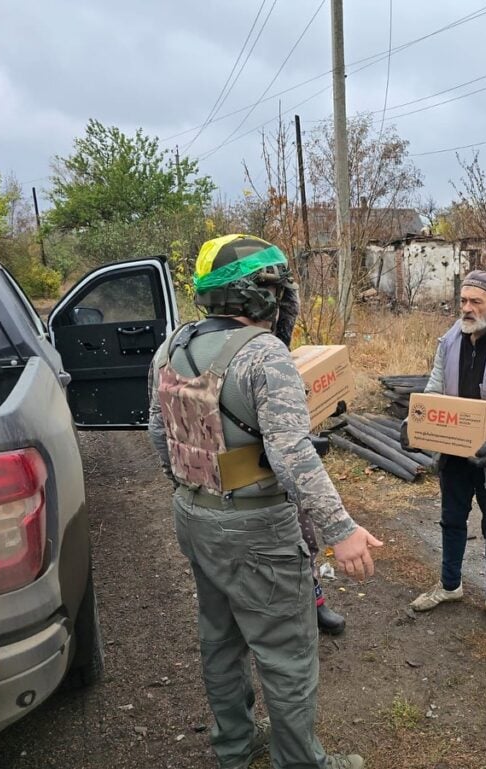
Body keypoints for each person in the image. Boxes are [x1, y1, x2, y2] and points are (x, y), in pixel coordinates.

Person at [148, 233, 381, 769]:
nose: (284, 300)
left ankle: (233, 746)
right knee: (287, 656)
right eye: (279, 289)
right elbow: (292, 452)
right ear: (260, 294)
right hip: (256, 531)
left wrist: (196, 489)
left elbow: (158, 435)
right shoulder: (264, 354)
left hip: (194, 515)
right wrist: (341, 530)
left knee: (220, 637)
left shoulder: (172, 346)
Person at [400, 270, 486, 635]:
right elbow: (434, 388)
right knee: (451, 520)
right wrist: (415, 424)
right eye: (463, 300)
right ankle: (450, 586)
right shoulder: (450, 339)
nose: (466, 308)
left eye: (475, 301)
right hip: (454, 454)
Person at [274, 278, 347, 636]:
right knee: (283, 553)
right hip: (262, 483)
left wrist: (327, 410)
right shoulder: (250, 360)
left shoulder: (280, 355)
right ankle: (291, 619)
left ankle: (315, 605)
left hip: (291, 483)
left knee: (307, 543)